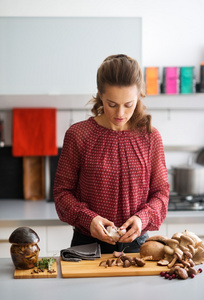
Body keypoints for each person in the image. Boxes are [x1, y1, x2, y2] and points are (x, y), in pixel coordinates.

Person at [53, 54, 170, 254]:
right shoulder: (78, 135)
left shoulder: (151, 137)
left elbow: (161, 193)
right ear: (100, 94)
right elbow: (61, 193)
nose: (120, 114)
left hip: (138, 248)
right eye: (112, 104)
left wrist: (143, 218)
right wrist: (88, 220)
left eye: (129, 104)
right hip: (87, 247)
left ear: (139, 95)